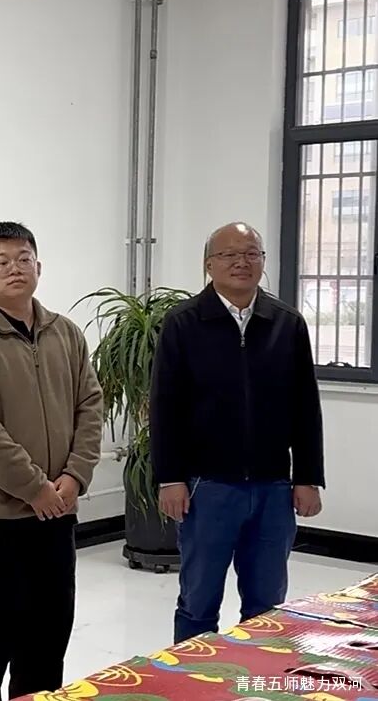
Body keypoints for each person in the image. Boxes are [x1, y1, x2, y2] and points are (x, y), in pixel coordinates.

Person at [150, 222, 324, 644]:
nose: (241, 263)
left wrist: (308, 477)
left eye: (251, 254)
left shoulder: (287, 323)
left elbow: (305, 407)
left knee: (267, 606)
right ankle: (191, 677)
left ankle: (255, 678)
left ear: (263, 261)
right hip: (206, 486)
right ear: (209, 264)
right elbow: (165, 406)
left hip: (272, 487)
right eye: (229, 254)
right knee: (198, 603)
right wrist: (169, 478)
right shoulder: (183, 323)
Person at [0, 222, 104, 700]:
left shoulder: (66, 333)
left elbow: (90, 406)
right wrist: (35, 488)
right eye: (1, 262)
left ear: (39, 266)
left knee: (46, 642)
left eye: (23, 259)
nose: (14, 269)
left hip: (56, 518)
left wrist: (75, 477)